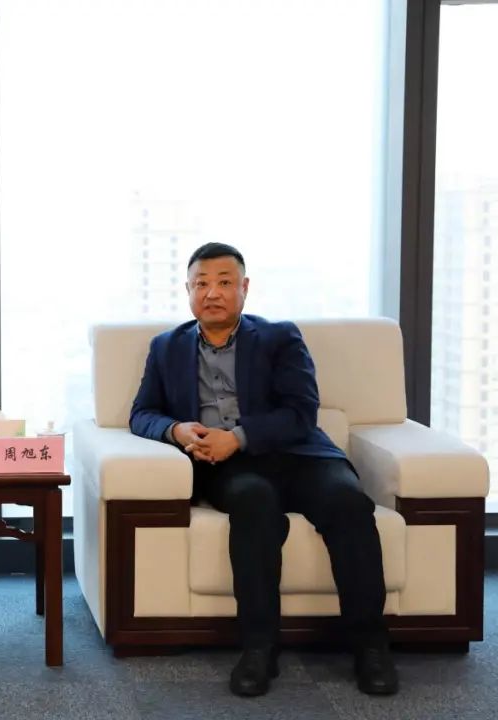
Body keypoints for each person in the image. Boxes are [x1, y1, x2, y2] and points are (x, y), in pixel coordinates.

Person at [129, 242, 398, 697]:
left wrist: (238, 436)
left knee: (349, 503)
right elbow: (142, 413)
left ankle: (370, 646)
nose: (212, 293)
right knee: (255, 504)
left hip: (301, 456)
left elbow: (301, 412)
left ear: (244, 288)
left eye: (224, 282)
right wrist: (176, 430)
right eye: (201, 284)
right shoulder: (166, 347)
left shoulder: (279, 337)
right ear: (188, 290)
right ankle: (259, 648)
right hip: (228, 468)